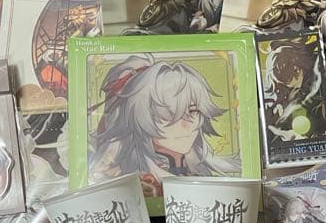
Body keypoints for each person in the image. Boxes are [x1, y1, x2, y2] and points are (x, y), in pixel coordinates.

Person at [89, 54, 239, 196]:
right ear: (140, 119)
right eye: (169, 115)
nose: (186, 125)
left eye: (193, 111)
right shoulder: (132, 179)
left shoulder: (199, 170)